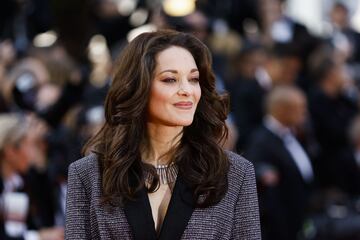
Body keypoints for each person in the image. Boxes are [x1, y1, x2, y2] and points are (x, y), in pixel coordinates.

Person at [65, 30, 261, 239]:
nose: (186, 90)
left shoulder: (235, 174)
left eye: (194, 79)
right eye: (170, 79)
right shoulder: (87, 174)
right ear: (138, 87)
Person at [245, 86, 314, 240]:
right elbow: (255, 172)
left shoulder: (293, 134)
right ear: (282, 109)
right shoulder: (261, 140)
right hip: (278, 229)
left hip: (299, 220)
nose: (305, 113)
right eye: (300, 108)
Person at [0, 113, 64, 240]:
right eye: (30, 145)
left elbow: (15, 232)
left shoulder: (16, 183)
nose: (32, 153)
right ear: (10, 150)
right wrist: (38, 237)